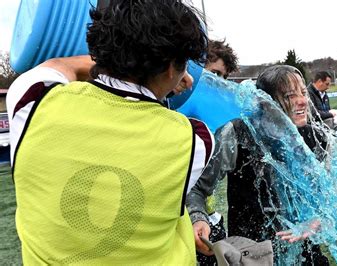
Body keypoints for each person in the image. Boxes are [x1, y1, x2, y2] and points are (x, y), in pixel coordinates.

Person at [6, 1, 214, 264]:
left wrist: (112, 63)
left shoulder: (32, 102)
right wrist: (164, 82)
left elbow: (59, 65)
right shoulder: (196, 139)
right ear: (172, 66)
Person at [187, 65, 329, 265]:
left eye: (304, 93)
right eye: (289, 96)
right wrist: (198, 217)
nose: (302, 101)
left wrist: (316, 220)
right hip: (251, 253)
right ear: (266, 103)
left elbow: (329, 196)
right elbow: (196, 188)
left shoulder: (316, 137)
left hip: (306, 251)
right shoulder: (237, 133)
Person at [197, 39, 239, 265]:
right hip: (184, 223)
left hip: (209, 218)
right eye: (214, 73)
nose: (220, 82)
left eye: (224, 77)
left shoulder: (221, 120)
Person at [307, 71, 337, 138]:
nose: (328, 87)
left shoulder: (324, 94)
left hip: (326, 126)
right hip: (315, 129)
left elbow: (327, 110)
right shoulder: (308, 93)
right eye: (327, 84)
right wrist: (330, 114)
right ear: (320, 81)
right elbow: (313, 114)